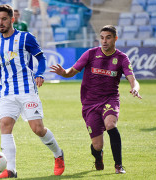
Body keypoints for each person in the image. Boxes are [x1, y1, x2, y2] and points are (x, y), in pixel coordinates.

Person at [0, 4, 65, 179]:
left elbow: (41, 58)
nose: (1, 23)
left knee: (37, 129)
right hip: (7, 92)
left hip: (27, 89)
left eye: (4, 19)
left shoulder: (26, 37)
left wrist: (40, 73)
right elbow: (0, 70)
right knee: (5, 125)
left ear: (12, 19)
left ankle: (58, 154)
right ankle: (11, 171)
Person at [50, 25, 142, 174]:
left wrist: (135, 88)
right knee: (97, 145)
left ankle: (118, 165)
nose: (104, 41)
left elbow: (133, 79)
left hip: (110, 99)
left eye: (108, 37)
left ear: (115, 39)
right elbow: (71, 72)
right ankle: (98, 157)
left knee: (111, 124)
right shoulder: (90, 54)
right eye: (102, 38)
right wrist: (63, 72)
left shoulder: (121, 58)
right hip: (90, 103)